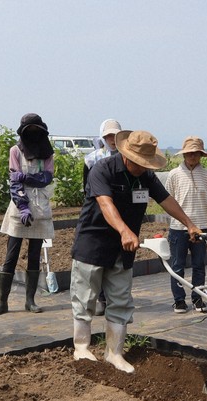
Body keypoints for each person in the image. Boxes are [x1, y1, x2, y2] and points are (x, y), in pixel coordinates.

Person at [70, 130, 201, 373]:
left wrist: (189, 223)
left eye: (147, 164)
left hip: (123, 248)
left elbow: (165, 199)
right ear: (126, 155)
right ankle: (81, 348)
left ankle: (114, 354)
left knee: (120, 300)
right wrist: (124, 230)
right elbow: (105, 203)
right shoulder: (103, 170)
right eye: (140, 163)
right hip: (93, 243)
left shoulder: (146, 177)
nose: (143, 168)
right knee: (85, 297)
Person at [0, 113, 55, 316]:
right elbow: (15, 182)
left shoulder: (47, 153)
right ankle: (3, 302)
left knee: (34, 255)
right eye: (30, 131)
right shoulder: (15, 151)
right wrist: (23, 206)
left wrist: (26, 177)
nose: (34, 135)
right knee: (12, 254)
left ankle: (30, 300)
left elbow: (47, 178)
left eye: (37, 131)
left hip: (40, 207)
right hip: (20, 207)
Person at [165, 136, 207, 313]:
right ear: (184, 154)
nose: (192, 156)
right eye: (189, 153)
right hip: (178, 228)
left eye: (196, 153)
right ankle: (179, 300)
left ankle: (197, 298)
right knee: (177, 265)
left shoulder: (206, 175)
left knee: (199, 264)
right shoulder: (174, 174)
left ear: (201, 155)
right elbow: (168, 198)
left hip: (201, 226)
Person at [82, 118, 122, 316]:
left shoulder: (126, 157)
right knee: (99, 256)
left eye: (116, 135)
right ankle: (101, 297)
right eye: (108, 136)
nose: (112, 139)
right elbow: (86, 188)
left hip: (119, 213)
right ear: (102, 137)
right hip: (98, 212)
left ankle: (114, 297)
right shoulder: (92, 159)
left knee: (116, 257)